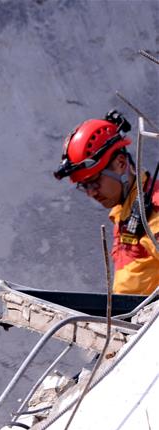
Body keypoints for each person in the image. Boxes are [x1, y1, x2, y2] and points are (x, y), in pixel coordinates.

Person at [54, 110, 159, 295]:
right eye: (84, 186)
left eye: (94, 181)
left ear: (120, 163)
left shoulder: (154, 209)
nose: (91, 192)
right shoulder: (124, 210)